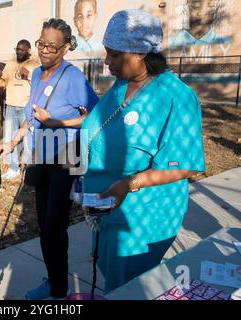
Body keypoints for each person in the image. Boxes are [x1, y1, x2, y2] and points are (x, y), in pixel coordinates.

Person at [81, 9, 205, 293]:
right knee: (114, 280)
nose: (107, 62)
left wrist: (129, 183)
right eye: (106, 52)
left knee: (128, 288)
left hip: (144, 215)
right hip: (107, 206)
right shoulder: (120, 86)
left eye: (114, 55)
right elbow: (97, 129)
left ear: (139, 53)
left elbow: (184, 166)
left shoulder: (176, 97)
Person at [0, 18, 99, 299]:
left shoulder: (73, 77)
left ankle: (58, 290)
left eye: (52, 47)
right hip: (41, 153)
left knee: (55, 227)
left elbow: (96, 115)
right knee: (44, 225)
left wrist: (58, 123)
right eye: (41, 44)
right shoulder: (35, 75)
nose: (44, 50)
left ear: (66, 47)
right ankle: (55, 281)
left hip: (67, 156)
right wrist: (13, 141)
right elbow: (32, 117)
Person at [0, 40, 40, 180]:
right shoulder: (11, 63)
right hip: (11, 107)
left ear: (28, 50)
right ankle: (14, 168)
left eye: (21, 49)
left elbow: (39, 84)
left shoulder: (35, 64)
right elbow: (3, 83)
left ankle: (28, 168)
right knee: (10, 137)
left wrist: (28, 75)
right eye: (17, 49)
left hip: (26, 107)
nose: (18, 52)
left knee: (26, 139)